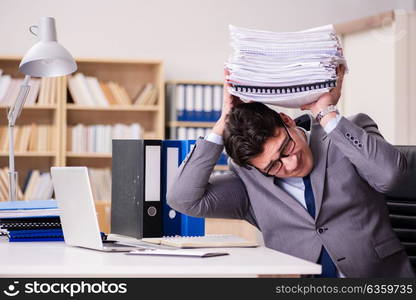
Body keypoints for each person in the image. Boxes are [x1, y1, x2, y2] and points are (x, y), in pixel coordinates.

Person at [167, 66, 415, 277]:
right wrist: (223, 124)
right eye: (274, 166)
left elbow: (391, 176)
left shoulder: (345, 136)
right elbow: (183, 199)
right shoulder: (250, 182)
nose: (291, 163)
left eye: (286, 147)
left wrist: (326, 113)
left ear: (287, 121)